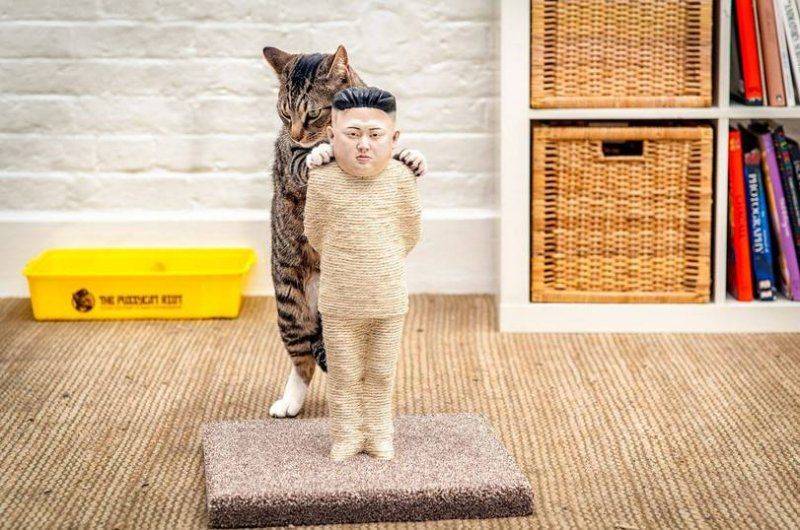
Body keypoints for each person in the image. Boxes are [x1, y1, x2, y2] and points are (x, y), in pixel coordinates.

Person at [304, 86, 422, 460]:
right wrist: (346, 260)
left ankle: (378, 433)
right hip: (339, 301)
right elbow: (315, 231)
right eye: (353, 134)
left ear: (394, 138)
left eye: (375, 135)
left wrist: (380, 259)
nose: (364, 146)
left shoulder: (401, 178)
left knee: (382, 373)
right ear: (331, 134)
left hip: (388, 299)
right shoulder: (322, 179)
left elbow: (410, 231)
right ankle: (346, 435)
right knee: (343, 374)